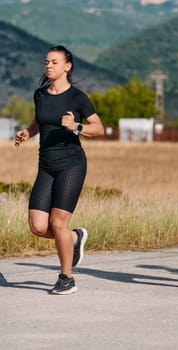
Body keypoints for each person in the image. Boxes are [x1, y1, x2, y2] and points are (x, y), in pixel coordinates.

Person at [14, 45, 104, 295]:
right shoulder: (40, 95)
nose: (48, 66)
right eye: (46, 62)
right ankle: (74, 239)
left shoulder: (77, 97)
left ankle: (66, 277)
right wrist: (27, 132)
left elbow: (99, 128)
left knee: (58, 222)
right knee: (38, 226)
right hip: (46, 166)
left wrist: (76, 127)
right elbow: (38, 122)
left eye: (54, 62)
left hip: (71, 164)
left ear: (67, 66)